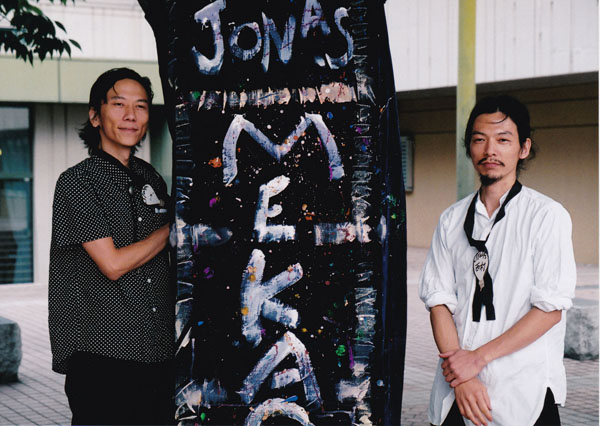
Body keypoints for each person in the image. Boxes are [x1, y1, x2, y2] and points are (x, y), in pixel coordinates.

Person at [419, 95, 576, 426]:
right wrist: (462, 377)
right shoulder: (451, 219)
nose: (490, 150)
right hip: (457, 393)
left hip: (523, 392)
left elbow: (550, 309)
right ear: (469, 147)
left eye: (503, 140)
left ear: (523, 148)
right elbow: (438, 302)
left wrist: (476, 360)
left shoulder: (547, 216)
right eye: (479, 140)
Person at [49, 68, 173, 425]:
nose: (131, 115)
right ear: (95, 116)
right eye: (118, 104)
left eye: (141, 106)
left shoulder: (151, 178)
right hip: (102, 356)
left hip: (158, 352)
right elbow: (113, 264)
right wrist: (173, 227)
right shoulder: (77, 183)